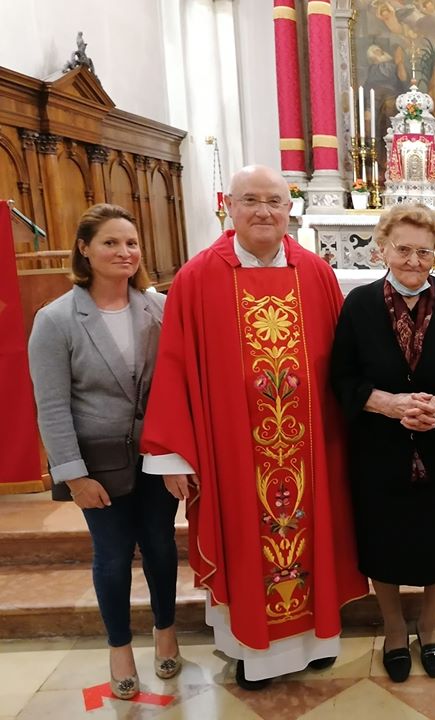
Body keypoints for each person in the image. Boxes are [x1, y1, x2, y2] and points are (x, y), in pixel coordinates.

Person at [140, 165, 368, 691]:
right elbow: (174, 365)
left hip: (311, 447)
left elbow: (343, 365)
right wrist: (175, 455)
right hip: (234, 452)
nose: (263, 211)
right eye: (250, 200)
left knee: (313, 538)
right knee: (245, 538)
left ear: (291, 210)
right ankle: (252, 651)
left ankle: (317, 642)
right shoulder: (198, 277)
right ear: (229, 206)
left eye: (274, 201)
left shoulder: (315, 273)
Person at [28, 204, 179, 700]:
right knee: (112, 557)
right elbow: (51, 407)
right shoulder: (56, 319)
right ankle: (119, 647)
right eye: (111, 243)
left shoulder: (157, 308)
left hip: (156, 457)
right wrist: (73, 476)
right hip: (99, 463)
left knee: (160, 547)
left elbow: (175, 389)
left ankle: (165, 631)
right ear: (85, 249)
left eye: (131, 243)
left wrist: (178, 456)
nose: (124, 252)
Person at [330, 204, 435, 682]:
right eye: (403, 249)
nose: (414, 261)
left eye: (424, 251)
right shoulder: (358, 305)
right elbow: (341, 377)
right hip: (379, 446)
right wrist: (389, 404)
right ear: (382, 248)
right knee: (384, 536)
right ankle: (395, 628)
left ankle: (432, 625)